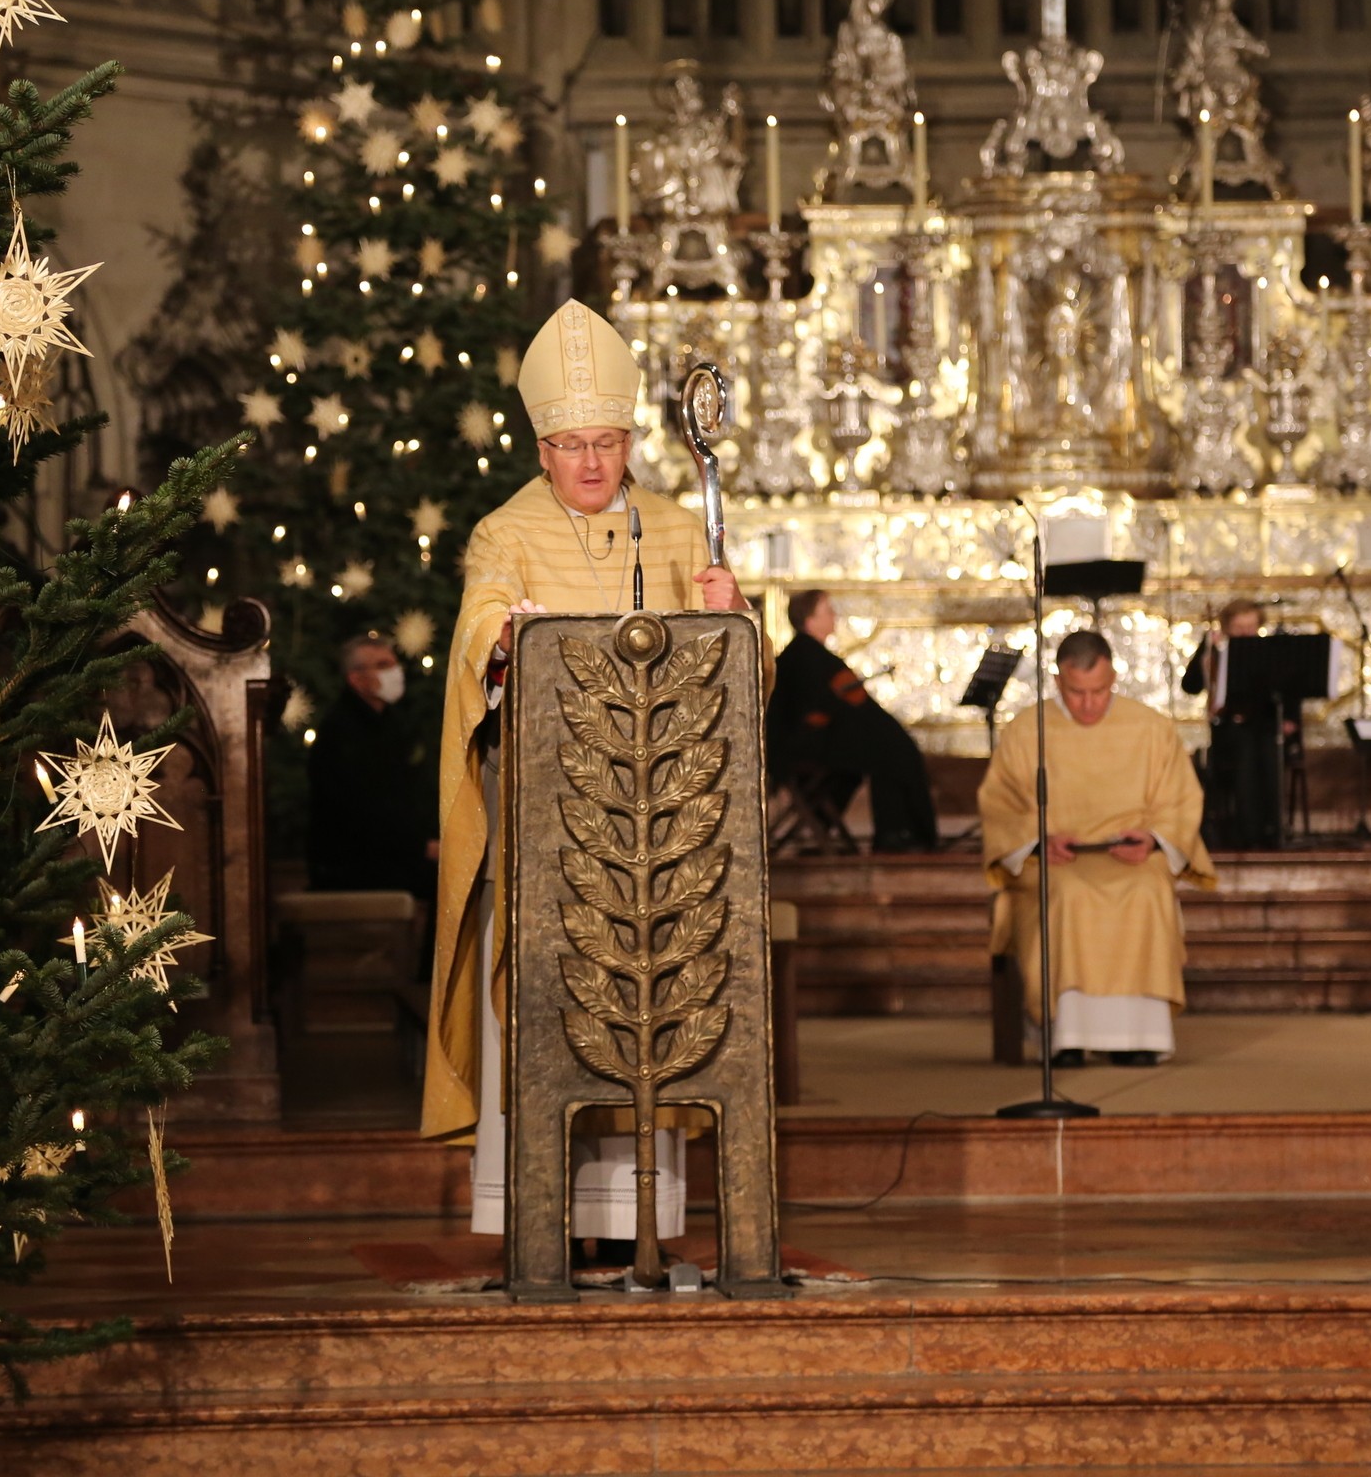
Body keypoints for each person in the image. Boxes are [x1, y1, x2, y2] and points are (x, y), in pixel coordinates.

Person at [422, 298, 749, 1249]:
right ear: (541, 449)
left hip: (665, 824)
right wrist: (505, 638)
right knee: (553, 999)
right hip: (552, 824)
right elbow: (479, 626)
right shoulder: (505, 533)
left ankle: (634, 1216)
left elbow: (740, 678)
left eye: (607, 441)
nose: (594, 463)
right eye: (573, 445)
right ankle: (535, 1209)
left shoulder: (683, 530)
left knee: (654, 1001)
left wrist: (737, 616)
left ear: (631, 438)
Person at [980, 630, 1214, 1067]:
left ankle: (1140, 1036)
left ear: (1114, 679)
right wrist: (1037, 840)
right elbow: (1000, 802)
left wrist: (1154, 837)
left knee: (1147, 892)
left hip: (1131, 855)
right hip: (1052, 858)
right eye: (1077, 693)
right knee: (1070, 896)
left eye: (1099, 692)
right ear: (1057, 681)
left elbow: (1180, 799)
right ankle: (1067, 1036)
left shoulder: (1149, 727)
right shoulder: (1028, 729)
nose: (1089, 704)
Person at [768, 589, 938, 852]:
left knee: (880, 750)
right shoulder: (806, 655)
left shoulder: (806, 652)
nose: (835, 616)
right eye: (827, 611)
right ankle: (896, 834)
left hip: (811, 742)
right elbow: (825, 708)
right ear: (810, 621)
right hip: (805, 747)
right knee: (889, 749)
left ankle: (890, 831)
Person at [304, 633, 439, 906]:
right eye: (383, 665)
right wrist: (420, 847)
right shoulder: (340, 730)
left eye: (393, 664)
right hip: (354, 863)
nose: (394, 671)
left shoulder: (393, 722)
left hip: (393, 854)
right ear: (356, 678)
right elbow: (360, 808)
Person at [1181, 599, 1291, 850]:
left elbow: (1285, 689)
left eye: (1250, 628)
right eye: (1239, 628)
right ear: (1228, 627)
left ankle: (1271, 830)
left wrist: (1289, 720)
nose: (1245, 634)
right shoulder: (1214, 646)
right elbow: (1190, 686)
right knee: (1244, 749)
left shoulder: (1268, 650)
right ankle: (1246, 832)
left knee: (1267, 747)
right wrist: (1206, 656)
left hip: (1262, 727)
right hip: (1228, 729)